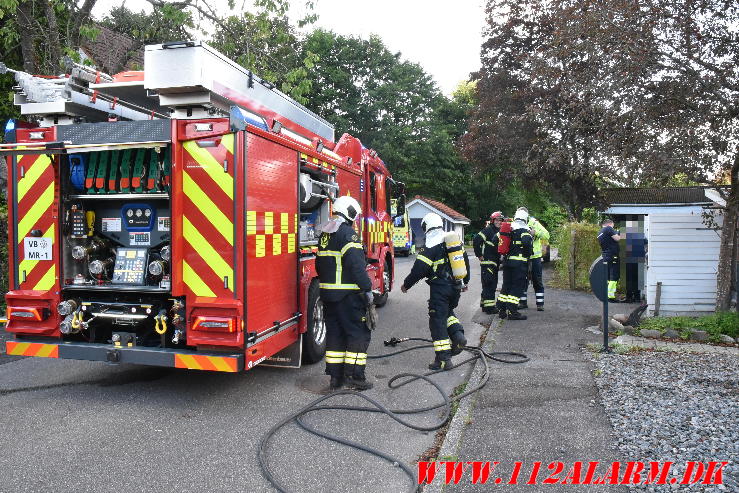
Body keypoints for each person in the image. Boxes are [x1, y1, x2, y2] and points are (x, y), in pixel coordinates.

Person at [316, 195, 374, 391]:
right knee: (358, 334)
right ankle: (355, 377)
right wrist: (367, 289)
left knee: (335, 335)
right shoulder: (348, 234)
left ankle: (335, 378)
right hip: (348, 297)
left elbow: (319, 265)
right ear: (349, 212)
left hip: (328, 296)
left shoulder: (325, 235)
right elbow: (357, 267)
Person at [401, 212, 470, 371]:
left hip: (440, 289)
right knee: (448, 313)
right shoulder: (453, 241)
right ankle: (458, 337)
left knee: (437, 322)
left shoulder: (430, 245)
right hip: (455, 288)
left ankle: (444, 360)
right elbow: (464, 262)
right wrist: (465, 282)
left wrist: (406, 285)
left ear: (426, 227)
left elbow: (419, 270)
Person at [497, 207, 533, 320]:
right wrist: (527, 254)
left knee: (506, 286)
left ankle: (501, 309)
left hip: (507, 262)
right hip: (519, 264)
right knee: (517, 287)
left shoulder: (508, 229)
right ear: (525, 219)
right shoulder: (524, 230)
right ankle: (512, 312)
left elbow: (495, 240)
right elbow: (527, 242)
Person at [473, 211, 503, 314]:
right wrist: (479, 255)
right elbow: (476, 240)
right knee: (490, 285)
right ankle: (490, 308)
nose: (499, 222)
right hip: (488, 262)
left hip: (494, 262)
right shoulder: (488, 230)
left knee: (487, 284)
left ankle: (484, 305)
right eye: (497, 220)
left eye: (500, 220)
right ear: (492, 220)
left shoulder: (498, 231)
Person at [520, 214, 550, 311]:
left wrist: (535, 232)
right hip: (523, 257)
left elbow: (547, 235)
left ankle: (540, 304)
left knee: (537, 280)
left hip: (535, 258)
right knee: (522, 281)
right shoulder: (518, 224)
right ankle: (523, 303)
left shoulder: (534, 223)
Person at [597, 218, 622, 302]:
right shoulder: (608, 228)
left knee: (608, 276)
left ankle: (606, 294)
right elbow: (617, 239)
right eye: (613, 226)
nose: (613, 229)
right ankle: (611, 297)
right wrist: (622, 234)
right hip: (613, 255)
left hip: (606, 255)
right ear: (610, 224)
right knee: (614, 276)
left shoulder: (600, 232)